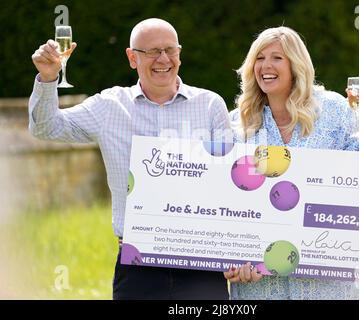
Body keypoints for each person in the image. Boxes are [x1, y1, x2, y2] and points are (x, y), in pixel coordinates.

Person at [29, 18, 231, 300]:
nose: (163, 59)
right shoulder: (109, 106)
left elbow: (229, 184)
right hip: (138, 264)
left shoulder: (210, 105)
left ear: (180, 54)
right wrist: (49, 78)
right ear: (132, 57)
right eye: (151, 51)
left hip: (200, 261)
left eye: (170, 50)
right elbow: (46, 127)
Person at [224, 26, 359, 300]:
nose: (266, 66)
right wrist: (232, 262)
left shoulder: (334, 109)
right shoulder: (237, 122)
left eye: (277, 58)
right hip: (263, 287)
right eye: (259, 58)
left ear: (296, 64)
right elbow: (224, 202)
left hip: (330, 285)